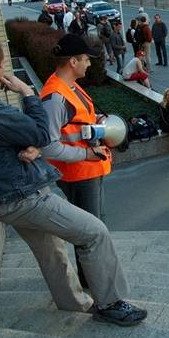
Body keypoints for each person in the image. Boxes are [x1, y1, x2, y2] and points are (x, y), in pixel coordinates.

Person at [0, 36, 147, 326]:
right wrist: (27, 91)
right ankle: (111, 303)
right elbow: (40, 135)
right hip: (22, 196)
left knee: (52, 251)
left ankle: (72, 303)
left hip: (2, 194)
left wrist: (20, 146)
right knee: (94, 232)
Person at [40, 34, 113, 287]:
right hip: (79, 174)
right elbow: (48, 147)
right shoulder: (55, 97)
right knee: (89, 231)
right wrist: (86, 154)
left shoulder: (69, 86)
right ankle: (94, 283)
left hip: (89, 170)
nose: (89, 64)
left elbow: (80, 123)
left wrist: (100, 125)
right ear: (72, 61)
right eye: (85, 60)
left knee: (96, 226)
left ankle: (95, 277)